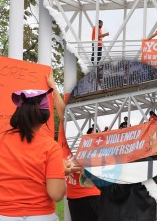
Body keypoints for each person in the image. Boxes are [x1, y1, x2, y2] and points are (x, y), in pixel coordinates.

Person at [0, 87, 66, 220]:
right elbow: (56, 194)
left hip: (4, 216)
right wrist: (60, 173)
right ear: (45, 117)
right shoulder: (50, 146)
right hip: (41, 216)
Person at [47, 72, 101, 221]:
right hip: (76, 197)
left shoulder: (90, 131)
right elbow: (62, 111)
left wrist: (81, 165)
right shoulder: (68, 127)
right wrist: (53, 88)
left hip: (92, 196)